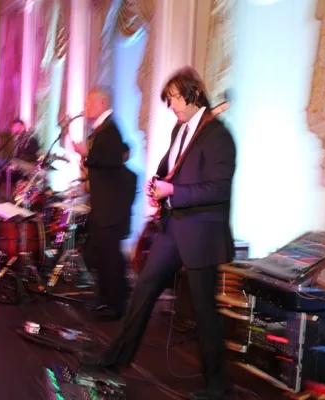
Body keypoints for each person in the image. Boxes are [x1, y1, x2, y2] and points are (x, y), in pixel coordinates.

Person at [81, 68, 236, 400]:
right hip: (173, 228)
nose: (172, 106)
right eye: (169, 100)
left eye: (176, 98)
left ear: (195, 94)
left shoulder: (219, 135)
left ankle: (217, 387)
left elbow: (219, 189)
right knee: (142, 292)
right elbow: (169, 169)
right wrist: (158, 184)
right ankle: (112, 362)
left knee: (205, 313)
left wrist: (174, 191)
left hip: (202, 234)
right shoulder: (180, 129)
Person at [72, 87, 137, 321]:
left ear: (102, 102)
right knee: (102, 256)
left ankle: (115, 305)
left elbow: (111, 159)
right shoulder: (102, 129)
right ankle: (105, 299)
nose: (86, 107)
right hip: (103, 206)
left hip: (110, 208)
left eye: (89, 102)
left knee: (110, 257)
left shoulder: (110, 129)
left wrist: (87, 154)